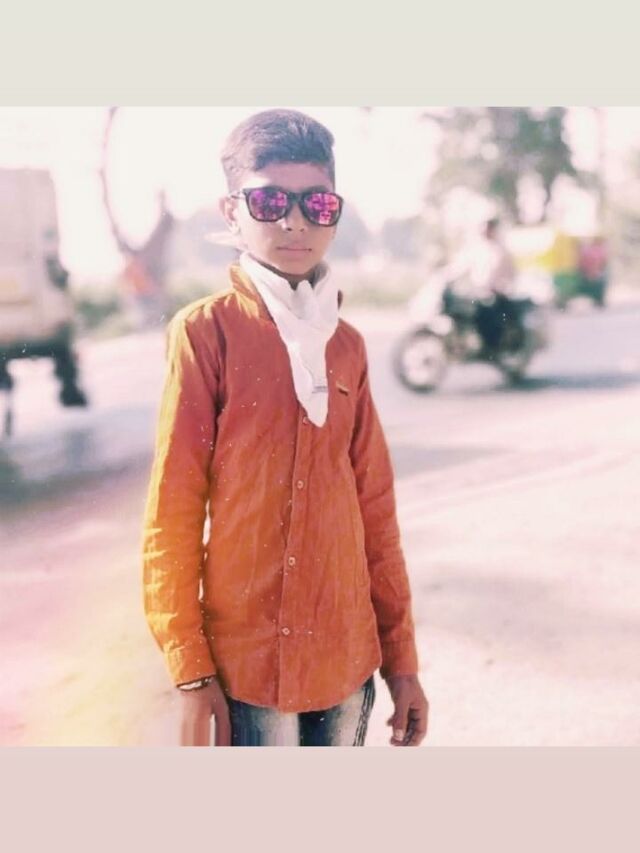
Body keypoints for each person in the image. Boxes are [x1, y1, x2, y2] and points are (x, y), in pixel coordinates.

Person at [142, 109, 429, 747]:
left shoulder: (346, 345)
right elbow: (173, 511)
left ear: (334, 213)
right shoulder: (206, 334)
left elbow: (376, 510)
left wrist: (402, 664)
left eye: (316, 203)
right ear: (232, 212)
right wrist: (191, 671)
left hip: (346, 657)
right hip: (249, 666)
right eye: (270, 201)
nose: (295, 221)